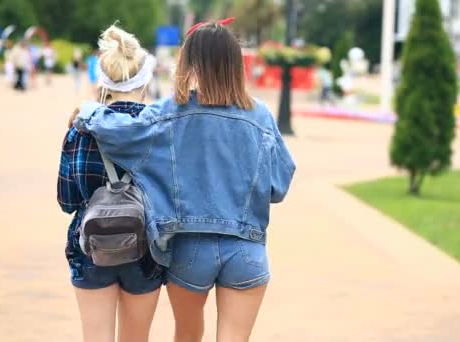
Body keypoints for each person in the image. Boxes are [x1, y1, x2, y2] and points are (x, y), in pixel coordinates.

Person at [72, 19, 296, 342]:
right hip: (247, 249)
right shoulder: (260, 116)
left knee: (188, 335)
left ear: (189, 62)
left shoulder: (172, 111)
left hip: (190, 248)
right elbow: (279, 186)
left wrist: (88, 110)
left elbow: (119, 131)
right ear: (236, 65)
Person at [57, 25, 164, 342]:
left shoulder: (79, 130)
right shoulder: (159, 132)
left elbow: (66, 201)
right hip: (145, 250)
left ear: (103, 82)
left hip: (91, 247)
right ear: (145, 81)